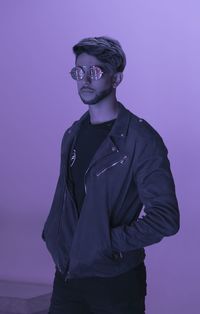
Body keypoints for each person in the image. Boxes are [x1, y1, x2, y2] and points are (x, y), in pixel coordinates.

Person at [41, 36, 180, 314]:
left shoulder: (141, 139)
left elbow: (165, 218)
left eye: (95, 72)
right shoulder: (73, 133)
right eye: (79, 72)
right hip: (68, 275)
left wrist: (105, 242)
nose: (85, 80)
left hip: (115, 281)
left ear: (116, 79)